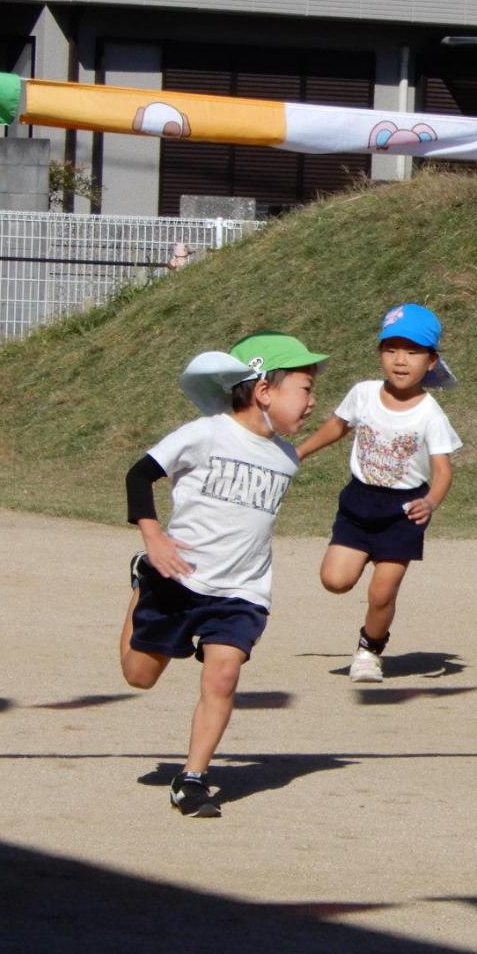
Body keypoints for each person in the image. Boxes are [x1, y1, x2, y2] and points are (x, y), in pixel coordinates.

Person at [119, 332, 327, 818]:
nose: (313, 401)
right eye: (305, 388)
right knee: (139, 675)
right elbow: (138, 475)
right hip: (178, 576)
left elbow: (324, 435)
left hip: (241, 591)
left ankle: (192, 779)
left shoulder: (284, 457)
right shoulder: (206, 433)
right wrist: (152, 538)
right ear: (264, 391)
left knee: (223, 675)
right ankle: (138, 580)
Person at [295, 303, 462, 683]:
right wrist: (300, 451)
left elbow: (443, 471)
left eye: (413, 351)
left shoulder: (431, 415)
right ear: (380, 354)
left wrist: (431, 501)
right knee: (335, 581)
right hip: (359, 501)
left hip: (404, 510)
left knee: (382, 593)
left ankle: (369, 649)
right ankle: (362, 567)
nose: (400, 361)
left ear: (432, 361)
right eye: (391, 349)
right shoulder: (364, 393)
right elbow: (337, 426)